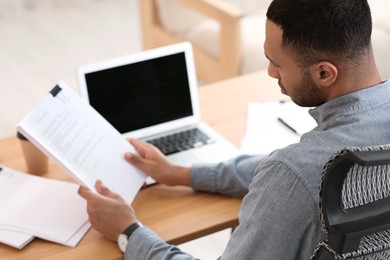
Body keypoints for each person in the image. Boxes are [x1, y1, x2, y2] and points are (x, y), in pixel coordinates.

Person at [78, 0, 390, 258]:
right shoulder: (301, 169)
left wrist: (128, 233)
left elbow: (293, 176)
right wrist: (181, 174)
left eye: (277, 63)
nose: (269, 72)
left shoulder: (296, 172)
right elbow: (290, 175)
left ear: (324, 73)